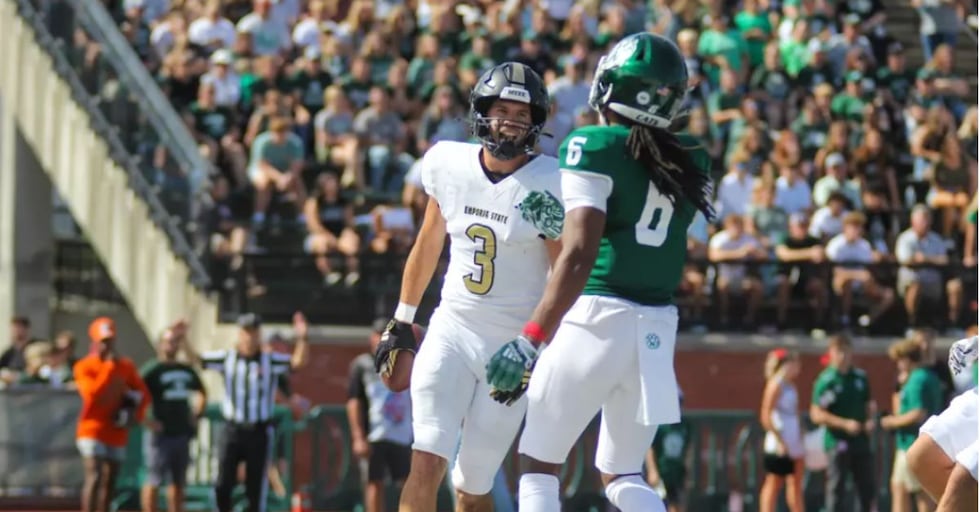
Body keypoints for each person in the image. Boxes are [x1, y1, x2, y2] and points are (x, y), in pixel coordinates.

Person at [485, 33, 715, 512]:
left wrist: (531, 337)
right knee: (623, 473)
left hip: (596, 317)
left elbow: (579, 254)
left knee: (538, 464)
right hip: (655, 329)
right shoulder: (690, 157)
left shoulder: (592, 144)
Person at [372, 61, 562, 512]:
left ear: (535, 123)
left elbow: (563, 275)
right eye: (502, 109)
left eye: (521, 114)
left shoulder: (550, 183)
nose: (510, 121)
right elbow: (428, 242)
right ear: (481, 111)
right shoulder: (449, 164)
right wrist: (403, 318)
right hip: (451, 329)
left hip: (510, 348)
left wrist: (538, 347)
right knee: (425, 459)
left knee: (472, 486)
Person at [201, 312, 309, 512]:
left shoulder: (269, 360)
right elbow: (199, 360)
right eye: (246, 332)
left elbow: (297, 363)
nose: (249, 337)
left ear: (259, 334)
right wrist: (181, 342)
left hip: (258, 430)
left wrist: (302, 337)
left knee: (255, 487)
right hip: (232, 428)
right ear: (240, 334)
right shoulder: (228, 358)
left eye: (253, 332)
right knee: (223, 483)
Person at [73, 317, 151, 512]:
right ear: (94, 342)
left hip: (116, 429)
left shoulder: (125, 366)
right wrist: (108, 368)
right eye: (103, 341)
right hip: (92, 428)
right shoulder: (84, 366)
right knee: (95, 474)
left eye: (109, 341)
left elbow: (144, 394)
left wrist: (136, 415)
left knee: (110, 479)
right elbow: (91, 395)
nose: (107, 346)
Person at [140, 320, 207, 512]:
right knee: (154, 479)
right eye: (168, 341)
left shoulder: (184, 370)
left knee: (178, 482)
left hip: (181, 431)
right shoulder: (153, 370)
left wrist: (197, 413)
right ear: (160, 344)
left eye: (175, 342)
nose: (172, 346)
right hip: (160, 434)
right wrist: (147, 420)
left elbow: (202, 391)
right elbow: (134, 393)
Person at [347, 318, 413, 512]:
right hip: (374, 434)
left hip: (402, 433)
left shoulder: (405, 360)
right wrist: (358, 436)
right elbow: (354, 401)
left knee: (409, 481)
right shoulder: (362, 365)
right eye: (378, 335)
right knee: (374, 482)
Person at [809, 334, 877, 511]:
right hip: (837, 441)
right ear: (831, 353)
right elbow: (816, 413)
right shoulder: (827, 381)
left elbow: (869, 404)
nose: (843, 356)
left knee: (866, 487)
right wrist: (844, 424)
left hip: (861, 440)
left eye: (846, 351)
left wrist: (870, 420)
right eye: (838, 352)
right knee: (837, 486)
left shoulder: (860, 377)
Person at [880, 338, 944, 512]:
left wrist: (891, 422)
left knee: (921, 494)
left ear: (908, 359)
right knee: (899, 486)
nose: (898, 364)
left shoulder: (917, 379)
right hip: (918, 443)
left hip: (912, 443)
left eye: (900, 360)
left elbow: (918, 413)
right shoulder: (928, 376)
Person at [759, 349, 804, 512]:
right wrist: (779, 440)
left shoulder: (791, 385)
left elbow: (795, 411)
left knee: (796, 482)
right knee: (774, 482)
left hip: (793, 440)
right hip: (780, 441)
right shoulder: (776, 384)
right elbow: (766, 414)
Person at [644, 391, 692, 512]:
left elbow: (687, 451)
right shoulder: (660, 425)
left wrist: (687, 474)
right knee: (659, 504)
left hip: (677, 474)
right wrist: (652, 471)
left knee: (677, 505)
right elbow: (650, 448)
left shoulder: (684, 425)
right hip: (661, 473)